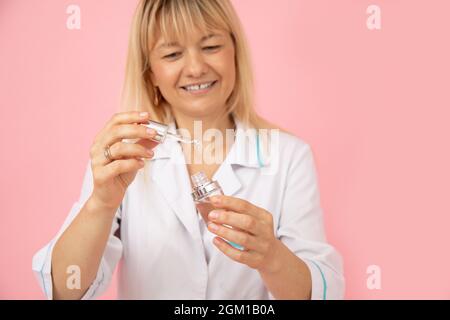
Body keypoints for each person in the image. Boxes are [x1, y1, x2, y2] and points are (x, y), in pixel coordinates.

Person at [32, 0, 344, 300]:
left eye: (211, 47)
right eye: (172, 54)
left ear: (235, 52)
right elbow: (65, 290)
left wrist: (272, 256)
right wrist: (100, 203)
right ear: (150, 71)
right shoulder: (123, 156)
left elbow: (319, 293)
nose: (195, 68)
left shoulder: (289, 157)